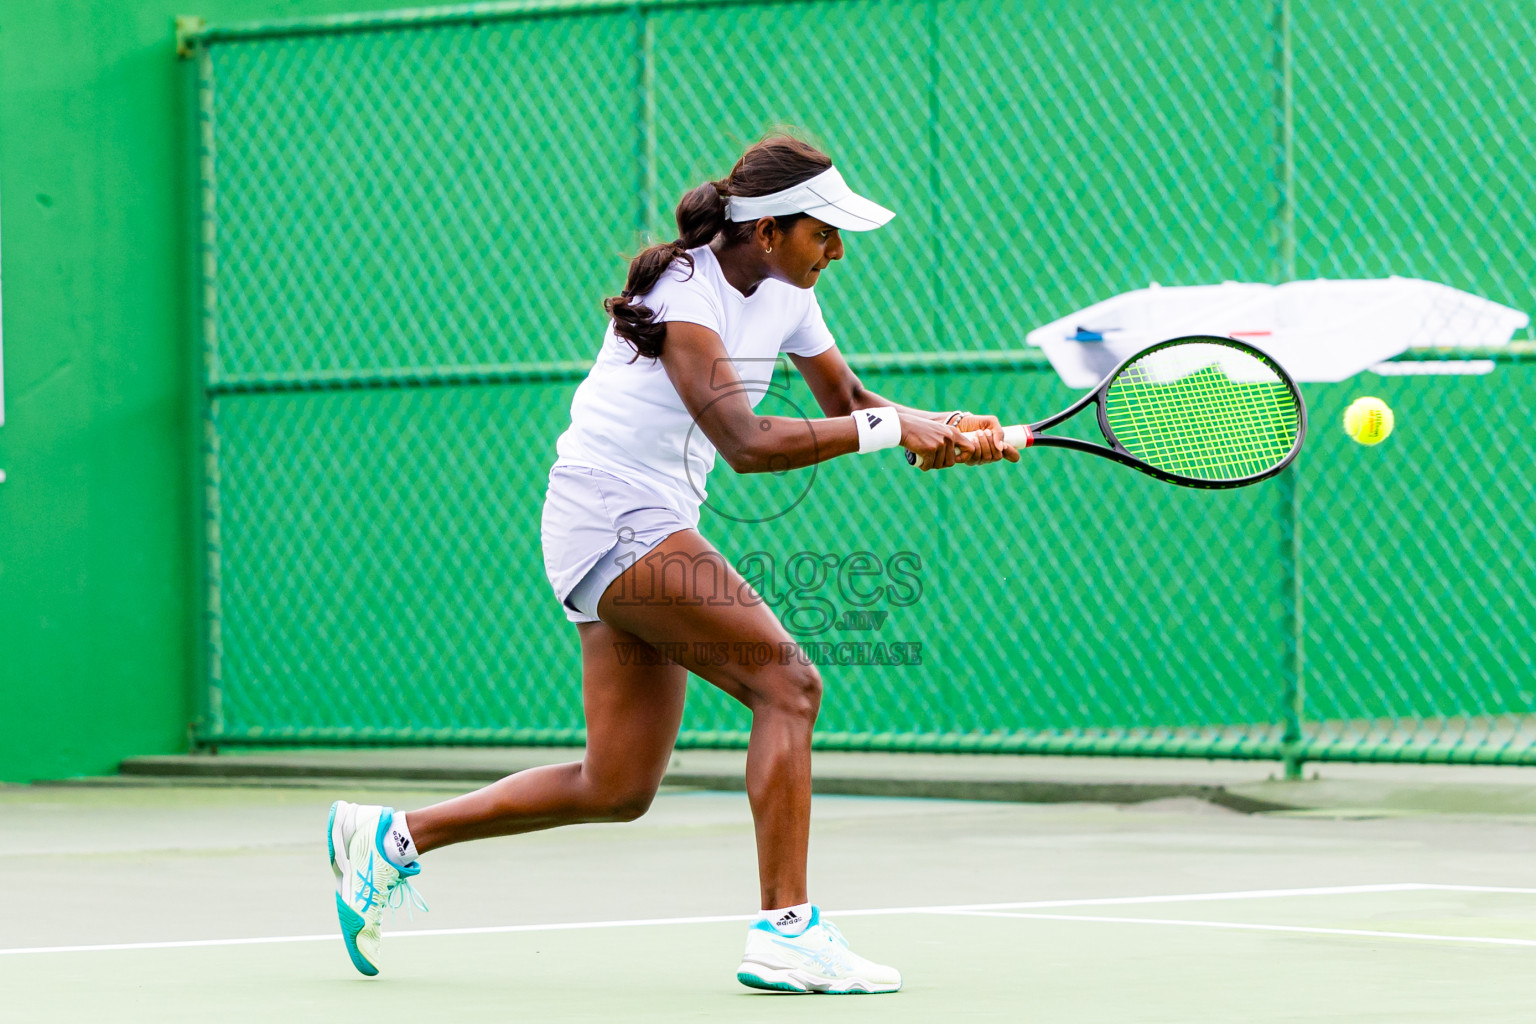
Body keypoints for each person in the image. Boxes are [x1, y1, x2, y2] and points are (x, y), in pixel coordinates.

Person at [327, 134, 1018, 994]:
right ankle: (787, 931)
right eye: (823, 234)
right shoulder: (682, 289)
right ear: (767, 231)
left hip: (634, 524)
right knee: (788, 684)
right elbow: (747, 443)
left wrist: (944, 427)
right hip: (611, 511)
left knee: (616, 784)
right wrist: (890, 432)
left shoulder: (790, 293)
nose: (836, 251)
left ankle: (391, 837)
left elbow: (849, 404)